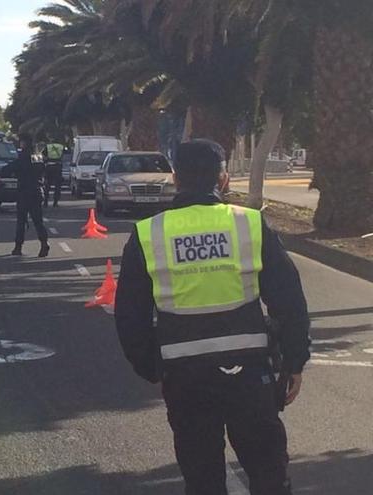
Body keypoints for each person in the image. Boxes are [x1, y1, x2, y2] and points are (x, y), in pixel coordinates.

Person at [114, 139, 311, 495]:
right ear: (222, 180)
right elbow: (289, 299)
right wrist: (295, 360)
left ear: (176, 178)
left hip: (185, 378)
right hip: (249, 376)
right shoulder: (249, 224)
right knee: (269, 473)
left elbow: (130, 317)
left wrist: (152, 367)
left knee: (202, 478)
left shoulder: (149, 234)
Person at [0, 135, 50, 257]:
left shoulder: (24, 156)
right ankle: (44, 243)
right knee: (38, 221)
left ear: (24, 144)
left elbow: (13, 167)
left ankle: (18, 247)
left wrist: (0, 173)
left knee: (21, 221)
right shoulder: (38, 156)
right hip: (37, 191)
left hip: (25, 192)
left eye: (21, 142)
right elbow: (43, 170)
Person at [42, 142, 65, 207]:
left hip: (49, 166)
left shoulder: (48, 146)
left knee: (47, 185)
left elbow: (43, 155)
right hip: (58, 167)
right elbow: (65, 153)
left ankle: (45, 202)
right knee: (57, 186)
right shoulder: (61, 146)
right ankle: (55, 202)